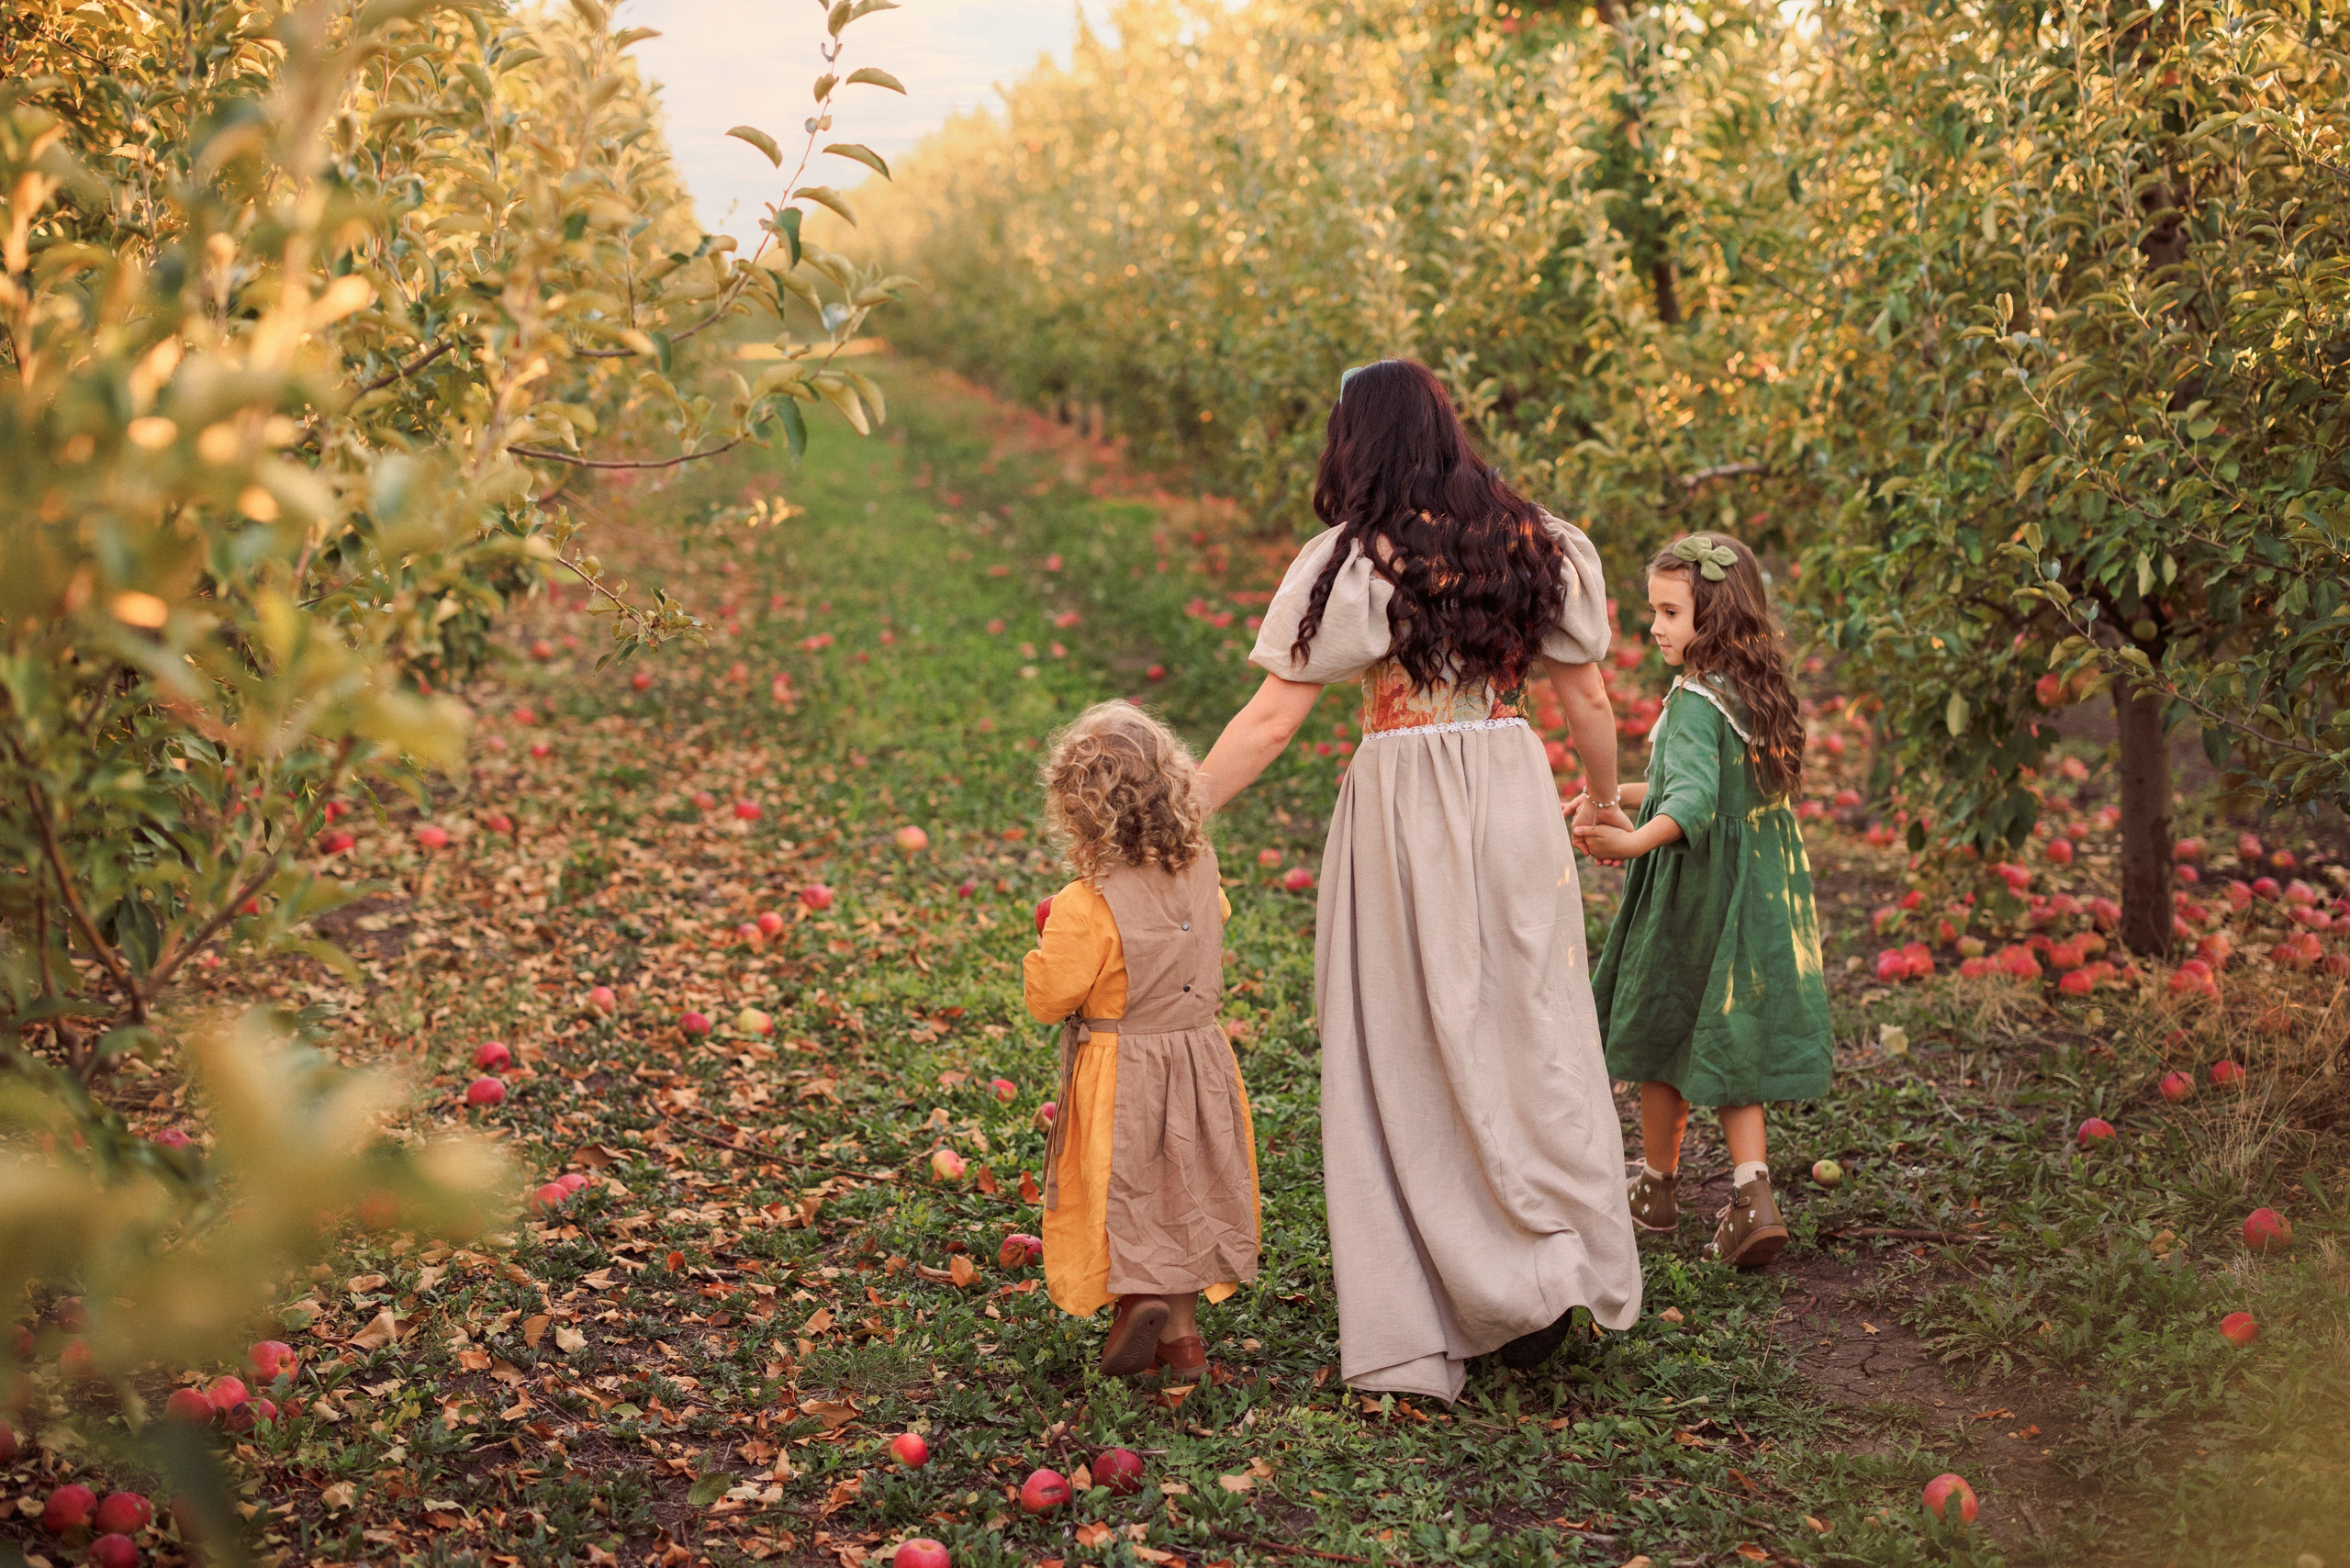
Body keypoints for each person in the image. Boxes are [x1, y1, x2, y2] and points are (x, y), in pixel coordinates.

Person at [1195, 357, 1641, 1404]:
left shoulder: (1352, 561)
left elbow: (1269, 719)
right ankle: (1544, 1259)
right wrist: (1600, 800)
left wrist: (1173, 811)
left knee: (1403, 1033)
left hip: (1404, 800)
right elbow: (1587, 701)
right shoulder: (1536, 540)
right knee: (1526, 1023)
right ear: (1448, 428)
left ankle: (1445, 1288)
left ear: (1355, 442)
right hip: (1510, 782)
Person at [1574, 532, 1832, 1270]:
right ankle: (1753, 1193)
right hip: (1755, 894)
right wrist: (1604, 795)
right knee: (1728, 1039)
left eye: (1669, 612)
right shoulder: (1753, 689)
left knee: (1663, 1034)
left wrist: (1629, 842)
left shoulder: (1692, 699)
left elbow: (1688, 803)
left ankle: (1657, 1190)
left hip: (1696, 894)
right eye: (1653, 609)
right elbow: (1702, 789)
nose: (1654, 626)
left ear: (1712, 618)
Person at [1023, 701, 1260, 1380]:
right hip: (1199, 1060)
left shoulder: (1084, 904)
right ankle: (1181, 1342)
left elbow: (1050, 999)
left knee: (1125, 1188)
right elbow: (1213, 920)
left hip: (1119, 1070)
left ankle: (1139, 1300)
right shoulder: (1202, 871)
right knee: (1182, 1189)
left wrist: (1044, 944)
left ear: (1079, 810)